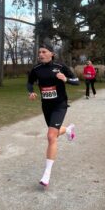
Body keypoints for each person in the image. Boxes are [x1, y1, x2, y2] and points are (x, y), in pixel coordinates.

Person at [27, 43, 79, 187]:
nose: (40, 54)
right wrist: (30, 92)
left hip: (60, 105)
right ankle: (68, 129)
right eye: (39, 52)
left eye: (44, 52)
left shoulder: (61, 67)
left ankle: (46, 174)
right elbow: (29, 82)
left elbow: (77, 81)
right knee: (54, 133)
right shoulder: (36, 69)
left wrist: (66, 79)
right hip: (46, 106)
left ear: (52, 54)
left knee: (50, 136)